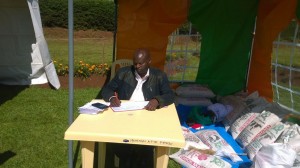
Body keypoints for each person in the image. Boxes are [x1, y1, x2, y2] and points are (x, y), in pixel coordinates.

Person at [101, 48, 175, 168]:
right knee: (118, 142)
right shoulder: (123, 73)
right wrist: (111, 98)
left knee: (144, 145)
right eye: (135, 63)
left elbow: (170, 95)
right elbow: (107, 89)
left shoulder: (159, 76)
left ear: (149, 61)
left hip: (148, 118)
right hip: (124, 116)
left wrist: (157, 100)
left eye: (141, 63)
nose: (137, 66)